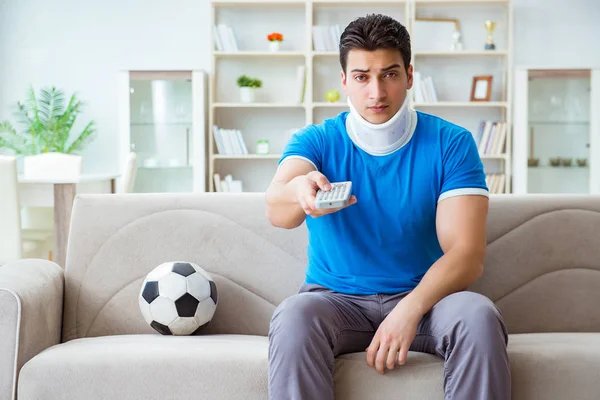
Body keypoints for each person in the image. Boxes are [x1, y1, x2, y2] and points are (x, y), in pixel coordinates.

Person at [264, 13, 510, 400]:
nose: (376, 92)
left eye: (389, 74)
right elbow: (276, 210)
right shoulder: (317, 140)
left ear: (410, 76)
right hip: (334, 301)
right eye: (362, 77)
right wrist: (299, 188)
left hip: (428, 300)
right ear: (344, 81)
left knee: (478, 315)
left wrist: (409, 310)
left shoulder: (452, 143)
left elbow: (466, 254)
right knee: (293, 316)